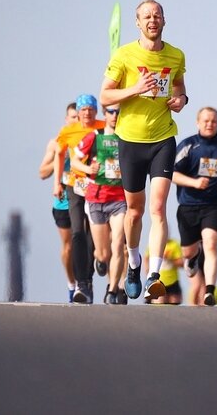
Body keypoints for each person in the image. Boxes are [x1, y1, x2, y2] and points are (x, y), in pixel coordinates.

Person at [99, 0, 189, 302]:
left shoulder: (175, 55)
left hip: (163, 138)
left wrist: (181, 100)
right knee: (135, 212)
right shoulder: (124, 55)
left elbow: (179, 87)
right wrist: (136, 89)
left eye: (157, 15)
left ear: (164, 20)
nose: (153, 20)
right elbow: (105, 96)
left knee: (158, 208)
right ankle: (134, 263)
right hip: (130, 141)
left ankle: (154, 275)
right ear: (138, 23)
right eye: (147, 16)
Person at [173, 107, 217, 306]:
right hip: (189, 205)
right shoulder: (188, 146)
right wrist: (194, 182)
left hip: (216, 205)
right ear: (198, 122)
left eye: (213, 121)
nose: (209, 124)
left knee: (211, 243)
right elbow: (172, 173)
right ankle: (192, 258)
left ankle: (209, 290)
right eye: (206, 120)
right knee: (188, 252)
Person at [71, 105, 128, 304]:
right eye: (111, 112)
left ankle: (112, 290)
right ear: (105, 114)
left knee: (118, 244)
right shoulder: (94, 137)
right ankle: (100, 260)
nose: (115, 115)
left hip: (119, 199)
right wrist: (88, 169)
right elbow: (75, 161)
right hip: (97, 199)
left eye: (119, 112)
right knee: (103, 253)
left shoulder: (127, 138)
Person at [54, 94, 105, 304]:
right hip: (74, 185)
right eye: (83, 109)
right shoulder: (68, 131)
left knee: (92, 234)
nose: (87, 113)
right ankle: (80, 282)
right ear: (79, 112)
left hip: (97, 186)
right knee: (77, 232)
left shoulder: (103, 127)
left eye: (90, 109)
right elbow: (59, 154)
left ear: (96, 111)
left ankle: (88, 279)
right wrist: (56, 183)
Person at [39, 102, 78, 302]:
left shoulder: (90, 138)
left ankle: (84, 282)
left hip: (84, 198)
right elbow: (42, 173)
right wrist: (59, 158)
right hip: (63, 202)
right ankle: (72, 284)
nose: (76, 120)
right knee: (69, 247)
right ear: (66, 119)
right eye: (73, 117)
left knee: (89, 244)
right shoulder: (55, 143)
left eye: (79, 117)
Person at [143, 237, 184, 305]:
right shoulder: (153, 243)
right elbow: (146, 258)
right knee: (159, 303)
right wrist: (147, 271)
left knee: (175, 303)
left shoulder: (174, 244)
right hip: (157, 281)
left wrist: (169, 259)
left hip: (172, 281)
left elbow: (182, 263)